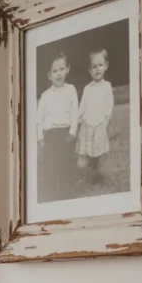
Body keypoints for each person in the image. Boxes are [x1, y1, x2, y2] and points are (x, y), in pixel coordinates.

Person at [36, 52, 79, 201]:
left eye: (61, 69)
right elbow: (38, 119)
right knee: (50, 167)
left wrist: (72, 133)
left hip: (66, 134)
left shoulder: (71, 89)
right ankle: (50, 196)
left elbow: (75, 113)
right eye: (55, 71)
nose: (59, 74)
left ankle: (66, 195)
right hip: (50, 136)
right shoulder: (45, 95)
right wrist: (40, 138)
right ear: (49, 75)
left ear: (67, 69)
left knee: (66, 165)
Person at [75, 48, 114, 184]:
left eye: (100, 65)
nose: (97, 69)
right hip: (87, 124)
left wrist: (106, 120)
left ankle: (99, 175)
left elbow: (109, 105)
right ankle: (87, 176)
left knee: (99, 151)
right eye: (94, 67)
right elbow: (82, 106)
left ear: (106, 66)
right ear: (89, 71)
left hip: (100, 124)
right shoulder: (87, 88)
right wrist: (79, 120)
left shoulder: (107, 86)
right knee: (87, 152)